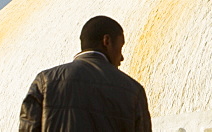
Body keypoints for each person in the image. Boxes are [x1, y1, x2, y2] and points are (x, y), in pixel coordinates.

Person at [20, 15, 152, 131]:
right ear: (106, 41)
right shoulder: (133, 91)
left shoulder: (45, 81)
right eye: (121, 47)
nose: (122, 57)